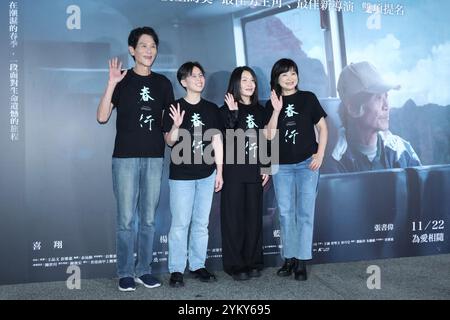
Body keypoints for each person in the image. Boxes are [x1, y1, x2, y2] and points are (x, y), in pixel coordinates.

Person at [96, 27, 174, 292]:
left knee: (149, 219)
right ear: (132, 50)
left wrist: (174, 132)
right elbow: (102, 117)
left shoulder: (163, 84)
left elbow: (168, 134)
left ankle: (144, 270)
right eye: (143, 46)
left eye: (153, 46)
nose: (149, 50)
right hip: (125, 158)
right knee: (126, 219)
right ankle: (125, 272)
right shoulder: (122, 79)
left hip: (154, 158)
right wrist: (111, 84)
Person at [264, 58, 328, 281]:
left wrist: (320, 154)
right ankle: (289, 258)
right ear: (277, 79)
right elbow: (269, 136)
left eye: (293, 73)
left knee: (305, 212)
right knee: (285, 213)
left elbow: (322, 127)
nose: (290, 78)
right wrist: (275, 110)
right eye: (284, 75)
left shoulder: (308, 98)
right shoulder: (271, 102)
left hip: (306, 164)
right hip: (282, 166)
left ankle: (301, 260)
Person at [162, 61, 223, 288]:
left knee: (200, 223)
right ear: (183, 81)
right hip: (182, 176)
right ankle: (177, 269)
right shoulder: (175, 108)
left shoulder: (212, 109)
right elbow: (169, 141)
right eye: (194, 76)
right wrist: (177, 124)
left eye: (201, 75)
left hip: (207, 175)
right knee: (180, 224)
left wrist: (220, 172)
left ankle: (198, 265)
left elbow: (217, 141)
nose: (199, 79)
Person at [322, 61, 421, 174]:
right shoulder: (333, 160)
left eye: (386, 96)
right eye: (378, 98)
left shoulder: (401, 151)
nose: (386, 106)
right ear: (353, 108)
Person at [219, 67, 270, 281]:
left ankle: (254, 261)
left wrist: (267, 167)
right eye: (244, 80)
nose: (249, 84)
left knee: (253, 219)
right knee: (234, 220)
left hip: (255, 171)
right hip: (233, 172)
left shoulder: (262, 109)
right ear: (235, 84)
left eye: (252, 80)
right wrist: (233, 114)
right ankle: (235, 265)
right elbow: (226, 142)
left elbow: (268, 138)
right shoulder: (224, 110)